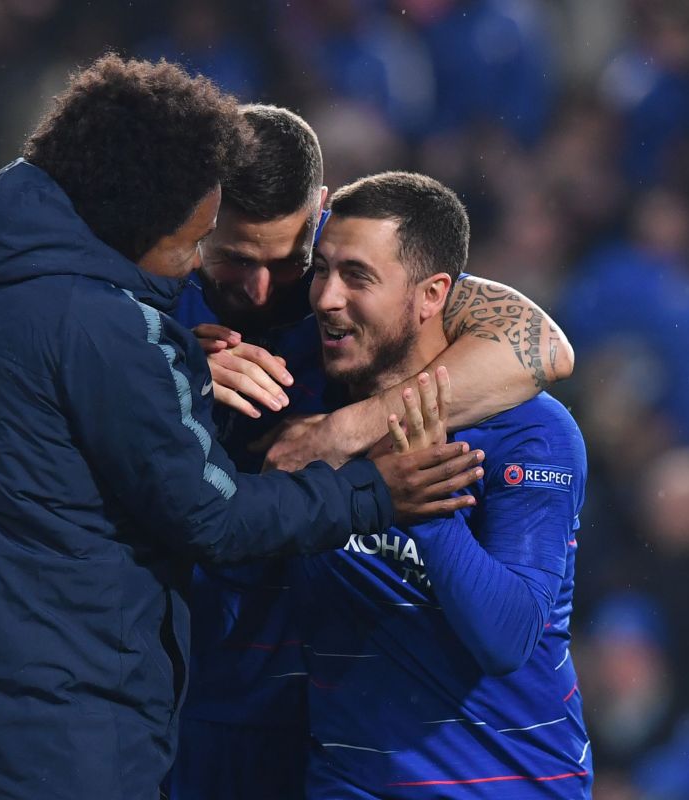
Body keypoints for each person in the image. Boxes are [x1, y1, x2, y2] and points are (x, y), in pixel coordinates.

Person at [0, 57, 482, 800]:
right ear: (135, 214)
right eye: (197, 244)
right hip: (68, 729)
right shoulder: (107, 323)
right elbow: (213, 516)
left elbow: (543, 346)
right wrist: (370, 491)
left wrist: (179, 371)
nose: (187, 270)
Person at [168, 106, 576, 799]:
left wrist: (346, 436)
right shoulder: (154, 299)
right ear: (197, 219)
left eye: (290, 263)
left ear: (316, 216)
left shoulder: (518, 423)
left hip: (473, 771)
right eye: (235, 258)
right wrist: (168, 374)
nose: (269, 291)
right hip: (234, 721)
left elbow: (544, 345)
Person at [297, 172, 590, 798]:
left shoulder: (529, 430)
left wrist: (426, 508)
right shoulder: (307, 408)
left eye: (357, 276)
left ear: (432, 295)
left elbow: (507, 637)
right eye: (321, 271)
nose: (326, 297)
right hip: (348, 781)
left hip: (505, 784)